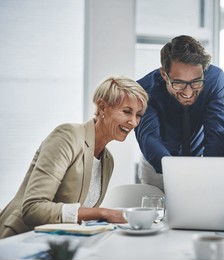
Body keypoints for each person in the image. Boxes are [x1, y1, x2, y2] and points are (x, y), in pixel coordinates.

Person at [0, 76, 149, 239]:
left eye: (138, 115)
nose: (133, 122)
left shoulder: (107, 160)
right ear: (102, 107)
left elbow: (79, 218)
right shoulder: (67, 136)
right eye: (127, 111)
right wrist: (103, 212)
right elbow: (33, 209)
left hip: (59, 244)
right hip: (21, 239)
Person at [135, 35, 224, 189]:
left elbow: (217, 132)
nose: (188, 92)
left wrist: (211, 172)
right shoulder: (144, 90)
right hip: (157, 167)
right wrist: (180, 175)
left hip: (201, 162)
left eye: (196, 82)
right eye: (178, 83)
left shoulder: (215, 79)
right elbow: (149, 138)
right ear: (164, 74)